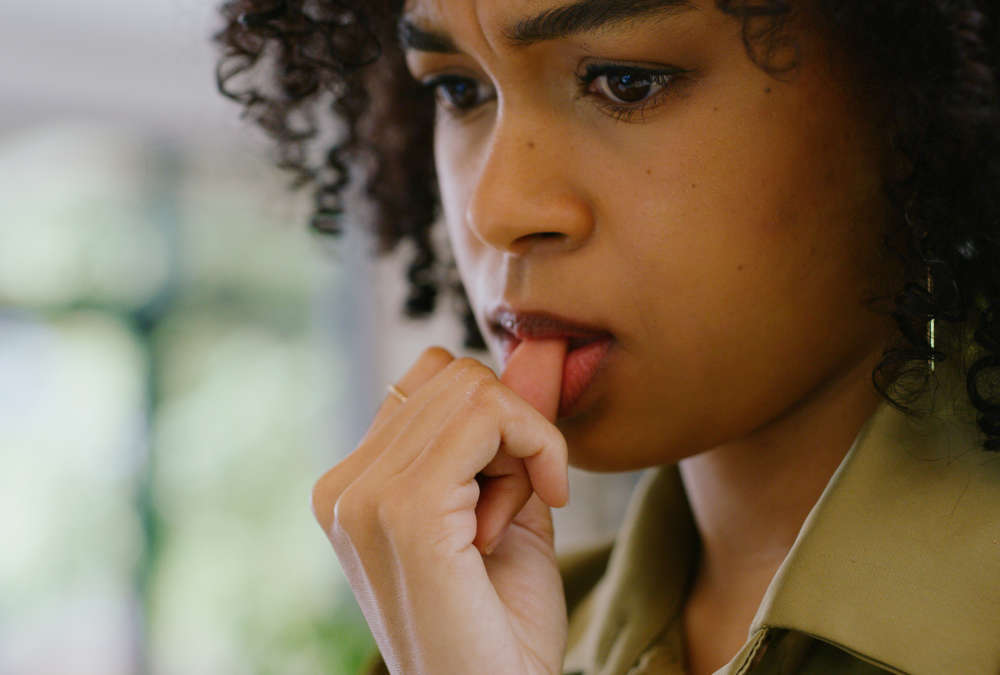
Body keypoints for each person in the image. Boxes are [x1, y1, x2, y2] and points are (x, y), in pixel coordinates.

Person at [215, 1, 1000, 673]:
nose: (497, 209)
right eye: (459, 90)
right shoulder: (463, 641)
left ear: (917, 97)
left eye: (627, 82)